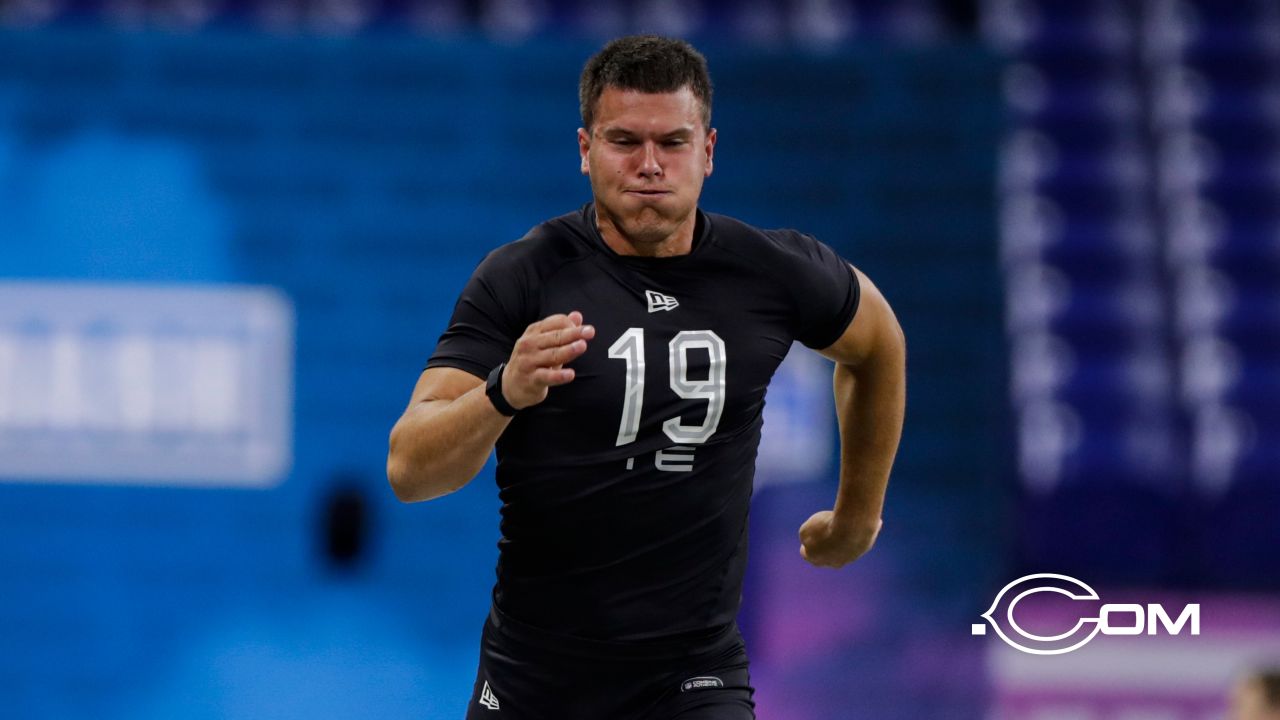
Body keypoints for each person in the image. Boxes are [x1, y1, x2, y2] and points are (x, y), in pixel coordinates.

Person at [386, 35, 906, 720]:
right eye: (625, 141)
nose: (650, 166)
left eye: (673, 142)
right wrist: (501, 393)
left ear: (709, 151)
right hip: (537, 672)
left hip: (692, 673)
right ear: (584, 149)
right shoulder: (523, 276)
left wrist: (857, 515)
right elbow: (409, 469)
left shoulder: (771, 271)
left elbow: (877, 346)